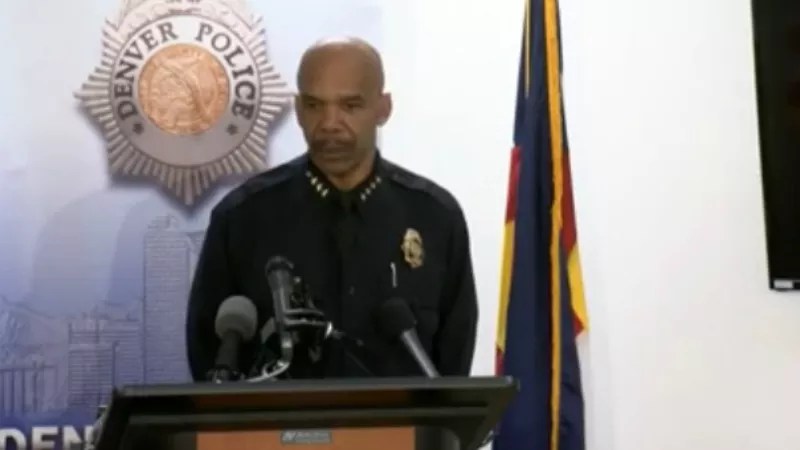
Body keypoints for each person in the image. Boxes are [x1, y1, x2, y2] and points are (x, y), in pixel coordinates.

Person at [185, 37, 478, 381]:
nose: (329, 123)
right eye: (314, 105)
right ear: (298, 110)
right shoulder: (242, 219)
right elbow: (210, 359)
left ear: (383, 109)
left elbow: (451, 366)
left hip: (399, 419)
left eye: (350, 106)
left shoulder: (434, 218)